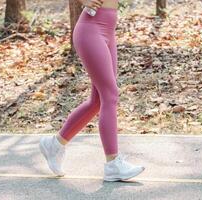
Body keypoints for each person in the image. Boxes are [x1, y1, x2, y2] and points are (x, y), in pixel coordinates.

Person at [39, 0, 145, 182]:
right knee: (110, 94)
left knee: (97, 101)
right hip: (90, 29)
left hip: (108, 30)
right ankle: (113, 164)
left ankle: (55, 145)